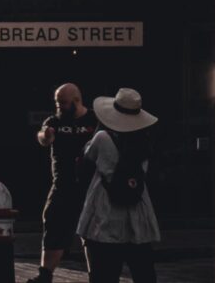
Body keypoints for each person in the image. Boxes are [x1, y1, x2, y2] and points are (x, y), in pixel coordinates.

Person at [74, 88, 162, 283]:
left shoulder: (102, 138)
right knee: (143, 270)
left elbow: (85, 162)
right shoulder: (143, 140)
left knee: (104, 272)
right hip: (137, 211)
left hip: (105, 212)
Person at [35, 83, 98, 280]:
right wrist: (45, 136)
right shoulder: (54, 120)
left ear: (76, 101)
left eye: (63, 102)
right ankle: (45, 275)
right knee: (53, 224)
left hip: (90, 187)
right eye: (57, 102)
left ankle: (97, 275)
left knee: (93, 234)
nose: (59, 106)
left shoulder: (94, 119)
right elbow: (42, 136)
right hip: (62, 186)